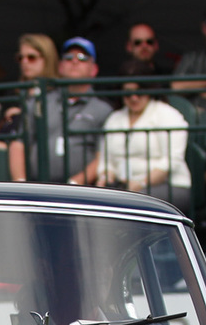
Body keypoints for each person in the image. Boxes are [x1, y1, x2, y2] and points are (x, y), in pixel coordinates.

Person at [80, 61, 192, 212]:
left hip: (168, 186)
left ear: (150, 90)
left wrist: (141, 182)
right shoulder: (115, 119)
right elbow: (106, 160)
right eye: (127, 93)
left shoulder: (167, 115)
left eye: (139, 91)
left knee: (132, 202)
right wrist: (106, 175)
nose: (133, 97)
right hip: (123, 188)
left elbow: (172, 161)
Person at [10, 36, 112, 182]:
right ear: (60, 67)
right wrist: (21, 183)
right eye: (69, 57)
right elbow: (19, 144)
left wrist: (75, 183)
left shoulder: (103, 109)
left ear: (94, 69)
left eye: (82, 58)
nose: (75, 61)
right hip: (38, 187)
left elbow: (103, 156)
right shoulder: (41, 101)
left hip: (82, 192)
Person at [0, 34, 58, 137]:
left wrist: (24, 113)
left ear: (47, 58)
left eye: (31, 58)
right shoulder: (14, 93)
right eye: (20, 58)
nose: (24, 62)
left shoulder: (58, 91)